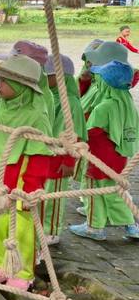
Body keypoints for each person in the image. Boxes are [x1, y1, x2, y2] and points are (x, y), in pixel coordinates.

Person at [0, 55, 55, 291]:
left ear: (21, 86)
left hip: (21, 183)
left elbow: (41, 156)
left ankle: (23, 271)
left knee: (22, 229)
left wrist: (31, 188)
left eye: (4, 81)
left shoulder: (36, 116)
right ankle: (1, 264)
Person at [69, 60, 139, 241]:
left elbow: (89, 132)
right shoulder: (127, 103)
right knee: (113, 191)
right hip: (118, 158)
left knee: (92, 192)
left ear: (105, 83)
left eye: (98, 78)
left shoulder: (103, 107)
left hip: (98, 159)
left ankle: (94, 228)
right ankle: (131, 225)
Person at [41, 55, 87, 245]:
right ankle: (41, 226)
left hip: (60, 159)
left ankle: (52, 231)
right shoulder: (51, 96)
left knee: (55, 196)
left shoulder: (71, 103)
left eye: (48, 75)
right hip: (46, 154)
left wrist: (69, 161)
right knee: (44, 194)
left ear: (60, 77)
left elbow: (75, 134)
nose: (44, 79)